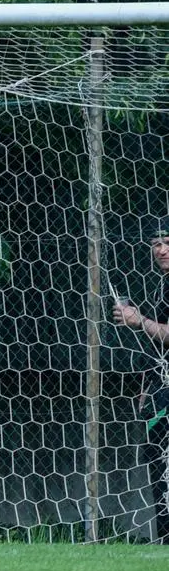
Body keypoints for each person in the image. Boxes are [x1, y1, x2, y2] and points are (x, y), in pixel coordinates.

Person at [113, 216, 169, 544]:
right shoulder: (163, 284)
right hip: (162, 388)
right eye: (155, 245)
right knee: (157, 461)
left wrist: (139, 320)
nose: (161, 250)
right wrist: (150, 385)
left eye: (167, 243)